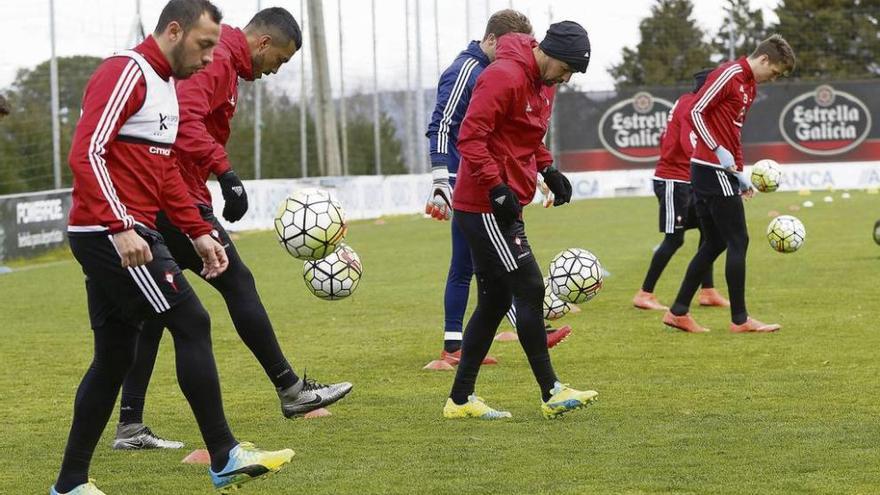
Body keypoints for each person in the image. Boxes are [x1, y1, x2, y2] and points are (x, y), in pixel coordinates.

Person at [53, 2, 292, 493]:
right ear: (175, 30)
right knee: (191, 319)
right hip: (111, 235)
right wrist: (120, 225)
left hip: (131, 230)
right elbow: (86, 151)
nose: (210, 59)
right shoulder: (127, 71)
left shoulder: (164, 87)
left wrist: (198, 232)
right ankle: (224, 455)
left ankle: (70, 483)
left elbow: (163, 174)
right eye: (204, 45)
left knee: (114, 357)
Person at [112, 6, 352, 452]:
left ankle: (129, 425)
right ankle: (289, 390)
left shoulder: (224, 61)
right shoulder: (220, 57)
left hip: (168, 193)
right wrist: (226, 173)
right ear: (263, 43)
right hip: (173, 196)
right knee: (234, 282)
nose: (274, 71)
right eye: (278, 60)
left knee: (153, 311)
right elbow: (184, 120)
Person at [442, 21, 598, 420]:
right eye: (565, 69)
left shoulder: (543, 84)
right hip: (483, 205)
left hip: (505, 202)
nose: (564, 79)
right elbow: (471, 137)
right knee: (529, 286)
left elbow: (525, 137)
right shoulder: (504, 76)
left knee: (494, 303)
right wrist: (495, 187)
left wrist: (548, 170)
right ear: (550, 52)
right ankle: (552, 392)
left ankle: (460, 400)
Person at [424, 10, 570, 369]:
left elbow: (515, 134)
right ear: (490, 41)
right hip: (470, 179)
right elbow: (444, 124)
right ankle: (458, 345)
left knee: (486, 268)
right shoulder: (468, 71)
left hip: (490, 178)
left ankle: (472, 346)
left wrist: (543, 169)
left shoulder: (511, 75)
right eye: (505, 46)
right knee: (472, 265)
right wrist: (441, 177)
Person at [662, 35, 796, 334]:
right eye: (774, 72)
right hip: (709, 168)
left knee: (716, 242)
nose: (773, 78)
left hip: (720, 171)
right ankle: (740, 319)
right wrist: (718, 152)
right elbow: (696, 111)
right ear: (764, 60)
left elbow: (732, 132)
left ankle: (678, 312)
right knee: (738, 240)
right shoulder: (730, 73)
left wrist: (738, 173)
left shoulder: (750, 85)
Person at [632, 69, 730, 311]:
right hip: (673, 181)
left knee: (711, 230)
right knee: (674, 239)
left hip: (686, 179)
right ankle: (644, 294)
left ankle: (707, 291)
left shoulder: (685, 102)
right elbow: (691, 145)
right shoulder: (692, 106)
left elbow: (669, 137)